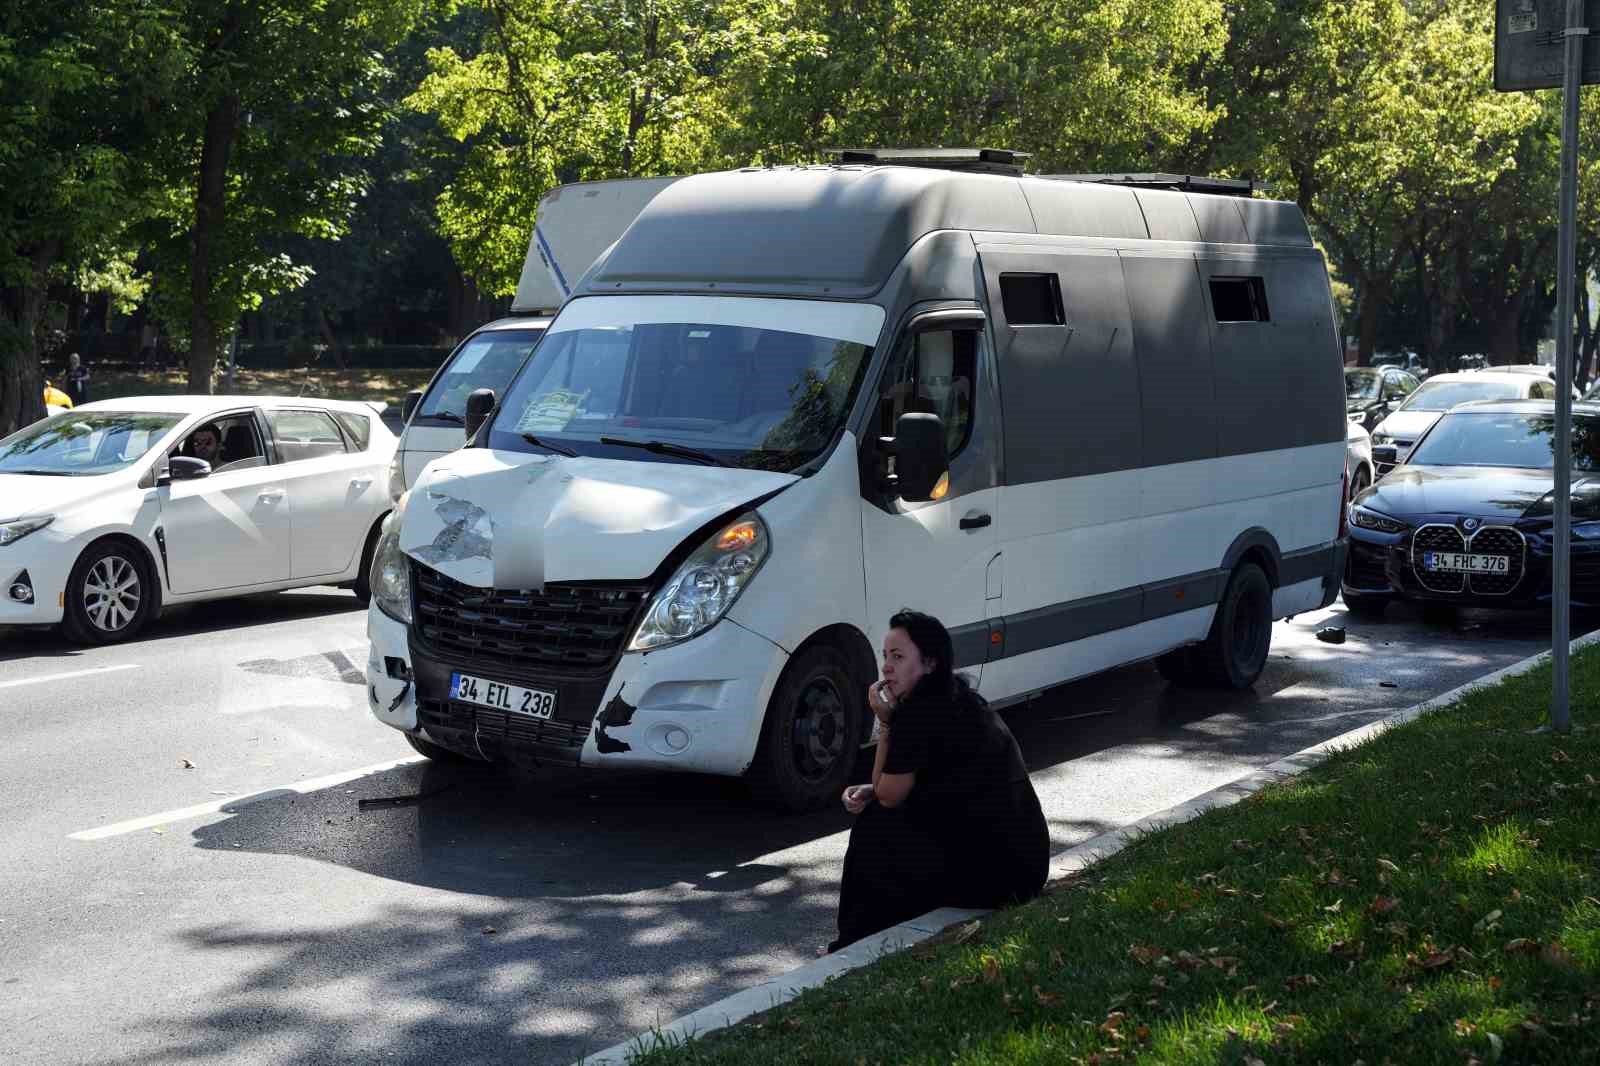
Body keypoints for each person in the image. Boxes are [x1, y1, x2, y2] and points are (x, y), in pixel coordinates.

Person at [829, 609, 1049, 953]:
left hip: (1000, 877)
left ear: (930, 664)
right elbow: (939, 781)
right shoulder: (957, 699)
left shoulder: (917, 714)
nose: (887, 667)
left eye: (899, 657)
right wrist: (877, 789)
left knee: (874, 827)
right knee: (891, 821)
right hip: (1024, 866)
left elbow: (889, 796)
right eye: (885, 656)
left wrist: (885, 722)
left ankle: (853, 942)